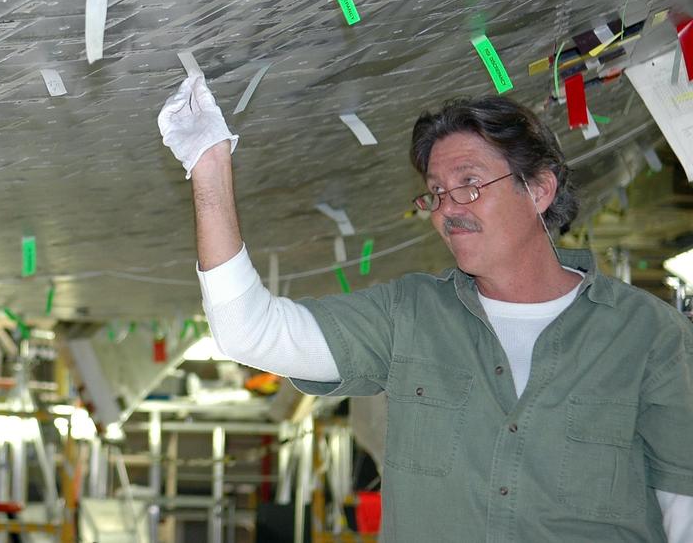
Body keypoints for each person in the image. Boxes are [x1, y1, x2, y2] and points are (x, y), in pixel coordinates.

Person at [158, 75, 693, 541]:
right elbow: (247, 331)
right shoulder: (408, 316)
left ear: (539, 190)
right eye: (435, 192)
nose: (448, 209)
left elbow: (683, 511)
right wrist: (210, 166)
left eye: (469, 183)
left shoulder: (649, 336)